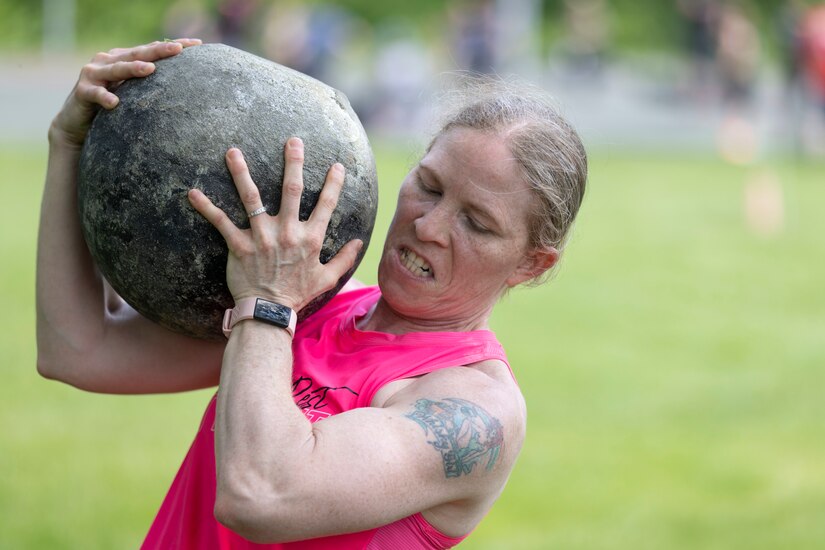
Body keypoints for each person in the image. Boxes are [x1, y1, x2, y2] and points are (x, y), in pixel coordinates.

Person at [36, 39, 587, 548]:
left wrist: (269, 300)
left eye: (477, 223)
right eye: (429, 185)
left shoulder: (474, 409)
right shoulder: (320, 304)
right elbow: (79, 351)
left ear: (531, 263)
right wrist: (68, 144)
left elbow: (260, 494)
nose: (429, 226)